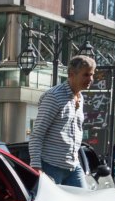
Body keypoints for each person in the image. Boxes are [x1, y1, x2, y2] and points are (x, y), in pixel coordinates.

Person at [29, 54, 96, 188]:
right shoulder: (54, 96)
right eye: (86, 75)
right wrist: (36, 166)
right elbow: (37, 134)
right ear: (72, 74)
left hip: (73, 165)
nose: (90, 79)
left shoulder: (80, 97)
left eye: (92, 75)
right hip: (51, 166)